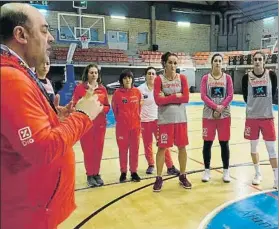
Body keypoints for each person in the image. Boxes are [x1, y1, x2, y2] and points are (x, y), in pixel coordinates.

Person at [0, 3, 103, 229]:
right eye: (45, 30)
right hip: (26, 214)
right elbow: (42, 148)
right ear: (21, 35)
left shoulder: (16, 73)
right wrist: (83, 116)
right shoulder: (10, 78)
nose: (51, 38)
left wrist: (55, 119)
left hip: (31, 207)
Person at [153, 52, 192, 192]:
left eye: (175, 63)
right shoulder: (159, 80)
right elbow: (158, 101)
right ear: (164, 63)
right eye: (170, 62)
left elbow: (186, 98)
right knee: (162, 148)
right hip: (165, 120)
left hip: (181, 119)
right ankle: (158, 177)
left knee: (182, 147)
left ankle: (182, 175)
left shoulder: (182, 78)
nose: (173, 65)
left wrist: (168, 96)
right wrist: (177, 96)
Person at [242, 51, 278, 189]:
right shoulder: (246, 77)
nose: (257, 61)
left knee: (271, 149)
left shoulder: (271, 75)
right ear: (253, 61)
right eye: (255, 59)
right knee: (253, 147)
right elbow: (246, 97)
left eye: (260, 59)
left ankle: (276, 178)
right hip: (252, 118)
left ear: (264, 61)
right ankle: (257, 173)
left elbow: (273, 92)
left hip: (267, 117)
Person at [72, 64, 110, 187]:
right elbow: (76, 105)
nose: (94, 75)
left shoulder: (102, 89)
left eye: (95, 73)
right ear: (86, 74)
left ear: (98, 75)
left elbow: (107, 107)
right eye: (91, 72)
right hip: (86, 125)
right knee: (88, 151)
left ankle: (96, 174)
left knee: (98, 151)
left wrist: (100, 109)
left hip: (100, 125)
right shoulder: (80, 88)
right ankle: (90, 175)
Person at [138, 66, 179, 175]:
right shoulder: (140, 89)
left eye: (153, 73)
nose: (151, 75)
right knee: (147, 144)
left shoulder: (160, 88)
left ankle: (170, 167)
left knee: (163, 144)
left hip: (158, 121)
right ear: (145, 76)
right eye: (149, 73)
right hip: (144, 121)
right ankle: (151, 165)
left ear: (156, 76)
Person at [200, 53, 234, 183]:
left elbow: (230, 95)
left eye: (220, 61)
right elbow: (203, 96)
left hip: (224, 115)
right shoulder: (205, 78)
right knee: (207, 143)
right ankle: (207, 171)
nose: (218, 63)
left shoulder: (227, 78)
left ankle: (226, 171)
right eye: (215, 61)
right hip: (209, 115)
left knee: (224, 143)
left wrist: (221, 107)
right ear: (212, 63)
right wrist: (215, 107)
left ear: (222, 63)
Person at [112, 69, 142, 183]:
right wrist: (121, 120)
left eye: (129, 77)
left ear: (132, 79)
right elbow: (115, 110)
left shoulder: (137, 92)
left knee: (135, 150)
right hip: (122, 128)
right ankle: (123, 172)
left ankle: (134, 172)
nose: (127, 80)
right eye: (125, 78)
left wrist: (135, 120)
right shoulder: (117, 94)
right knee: (123, 150)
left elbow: (140, 108)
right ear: (121, 81)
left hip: (135, 127)